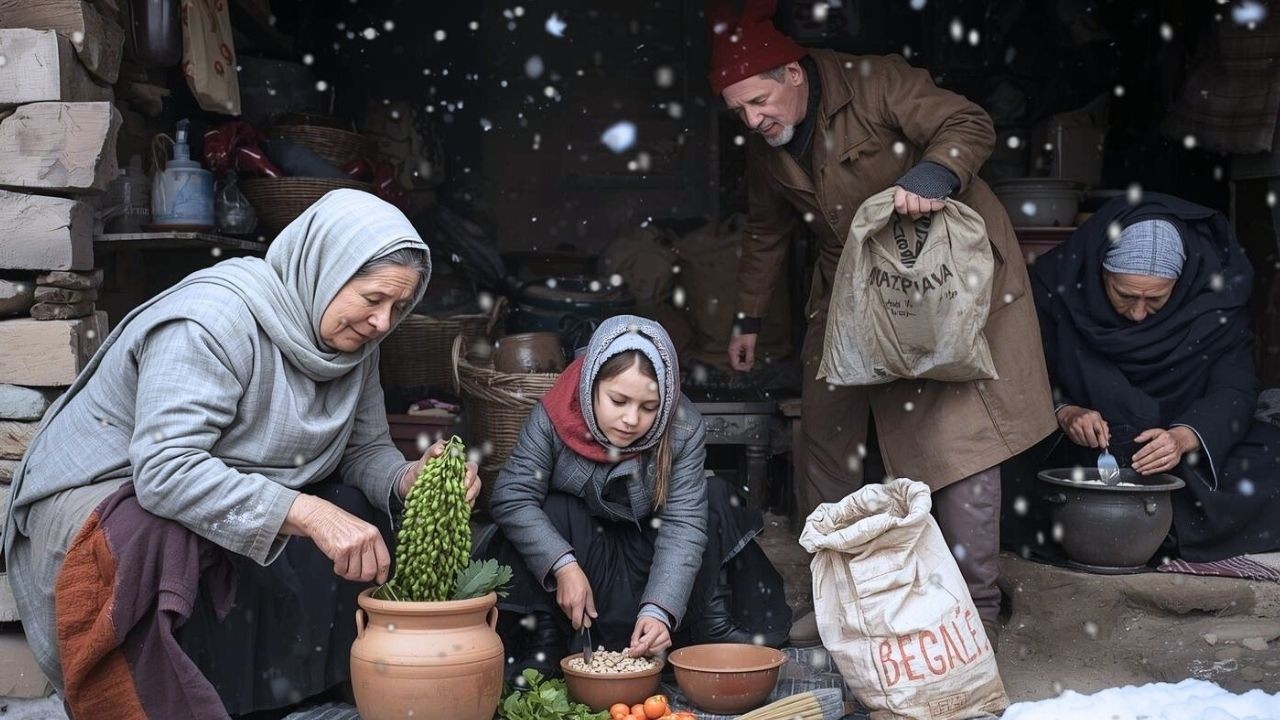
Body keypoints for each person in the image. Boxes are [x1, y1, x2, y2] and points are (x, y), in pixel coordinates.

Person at [3, 190, 480, 719]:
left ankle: (287, 699)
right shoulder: (211, 322)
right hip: (113, 491)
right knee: (166, 537)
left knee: (353, 506)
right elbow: (165, 471)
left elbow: (363, 450)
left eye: (398, 307)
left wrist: (407, 478)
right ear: (322, 267)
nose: (382, 323)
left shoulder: (353, 343)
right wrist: (308, 512)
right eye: (372, 299)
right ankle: (170, 702)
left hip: (228, 481)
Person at [708, 0, 1057, 645]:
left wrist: (937, 170)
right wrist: (747, 318)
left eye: (758, 102)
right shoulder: (769, 145)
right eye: (739, 113)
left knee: (958, 440)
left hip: (943, 271)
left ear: (793, 74)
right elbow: (766, 231)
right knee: (824, 437)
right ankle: (839, 599)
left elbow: (968, 120)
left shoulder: (875, 82)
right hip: (852, 283)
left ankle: (974, 610)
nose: (753, 121)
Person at [485, 315, 791, 678]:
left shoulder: (682, 426)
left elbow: (683, 525)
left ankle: (702, 632)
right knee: (545, 512)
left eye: (648, 408)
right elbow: (511, 496)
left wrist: (660, 608)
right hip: (584, 555)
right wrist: (561, 565)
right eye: (618, 400)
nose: (631, 420)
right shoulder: (554, 415)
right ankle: (547, 643)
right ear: (591, 384)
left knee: (715, 498)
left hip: (650, 549)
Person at [1031, 192, 1280, 561]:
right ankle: (1152, 529)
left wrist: (1186, 437)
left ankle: (1137, 530)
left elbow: (1236, 388)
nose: (1137, 314)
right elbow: (1021, 376)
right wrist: (1064, 410)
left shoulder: (1214, 300)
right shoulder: (1059, 291)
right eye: (1124, 295)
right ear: (1100, 269)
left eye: (1156, 301)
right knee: (1003, 470)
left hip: (1183, 452)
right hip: (1088, 450)